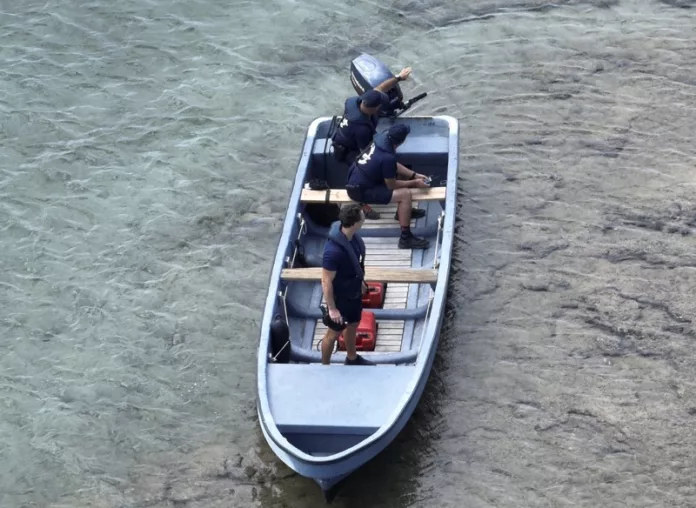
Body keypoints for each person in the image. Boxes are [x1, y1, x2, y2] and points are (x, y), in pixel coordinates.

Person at [332, 66, 413, 219]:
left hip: (353, 137)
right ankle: (364, 205)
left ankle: (399, 208)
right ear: (375, 108)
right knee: (368, 169)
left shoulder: (354, 101)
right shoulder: (361, 130)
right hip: (350, 149)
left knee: (388, 163)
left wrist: (399, 77)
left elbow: (380, 88)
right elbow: (369, 153)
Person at [345, 124, 431, 250]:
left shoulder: (379, 142)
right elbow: (391, 185)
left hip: (356, 178)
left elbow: (392, 165)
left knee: (401, 176)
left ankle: (402, 213)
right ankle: (406, 238)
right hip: (359, 191)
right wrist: (415, 183)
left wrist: (414, 175)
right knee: (405, 194)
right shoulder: (387, 157)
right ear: (401, 141)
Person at [320, 204, 375, 366]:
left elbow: (356, 265)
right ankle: (325, 366)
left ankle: (352, 358)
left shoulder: (353, 239)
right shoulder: (333, 252)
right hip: (340, 299)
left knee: (353, 324)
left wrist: (361, 284)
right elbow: (326, 281)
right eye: (362, 216)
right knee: (333, 334)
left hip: (354, 293)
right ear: (354, 223)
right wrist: (332, 309)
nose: (364, 216)